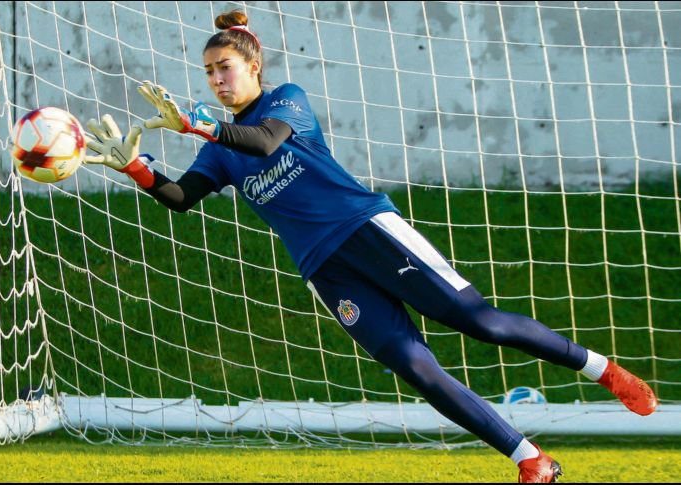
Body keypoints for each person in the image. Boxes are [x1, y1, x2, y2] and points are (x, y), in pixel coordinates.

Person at [83, 10, 658, 483]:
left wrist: (201, 124)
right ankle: (530, 460)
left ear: (253, 65)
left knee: (478, 321)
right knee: (416, 367)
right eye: (208, 71)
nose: (216, 80)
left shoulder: (286, 100)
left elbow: (263, 143)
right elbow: (182, 196)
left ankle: (603, 370)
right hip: (326, 269)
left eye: (224, 67)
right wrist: (136, 168)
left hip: (369, 231)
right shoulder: (217, 148)